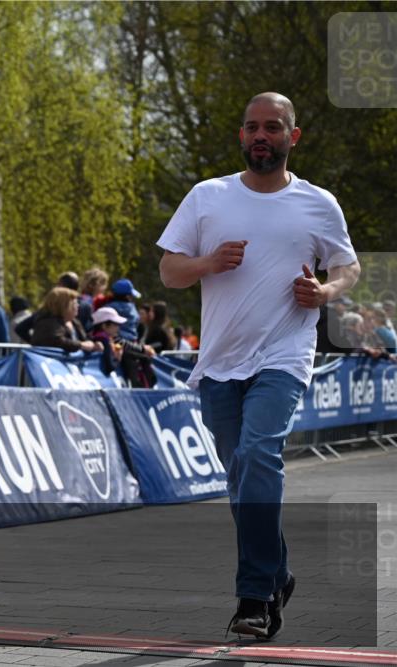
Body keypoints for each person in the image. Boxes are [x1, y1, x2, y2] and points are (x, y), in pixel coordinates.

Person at [158, 92, 360, 639]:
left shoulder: (318, 203)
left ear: (293, 136)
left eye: (272, 127)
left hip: (284, 354)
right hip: (220, 361)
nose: (260, 136)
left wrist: (325, 291)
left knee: (257, 454)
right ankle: (278, 573)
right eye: (252, 127)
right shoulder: (208, 196)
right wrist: (208, 262)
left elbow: (348, 267)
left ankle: (254, 597)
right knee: (241, 477)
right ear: (241, 136)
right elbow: (170, 272)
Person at [89, 306, 156, 386]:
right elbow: (110, 367)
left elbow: (124, 344)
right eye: (115, 324)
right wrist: (118, 358)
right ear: (104, 325)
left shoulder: (109, 338)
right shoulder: (103, 339)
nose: (118, 328)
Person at [28, 287, 102, 354]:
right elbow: (56, 341)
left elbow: (85, 339)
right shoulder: (48, 322)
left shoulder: (75, 322)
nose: (77, 305)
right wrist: (80, 345)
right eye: (74, 303)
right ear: (63, 305)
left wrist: (94, 345)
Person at [78, 267, 109, 332]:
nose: (105, 287)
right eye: (102, 284)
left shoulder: (85, 298)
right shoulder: (87, 301)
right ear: (92, 285)